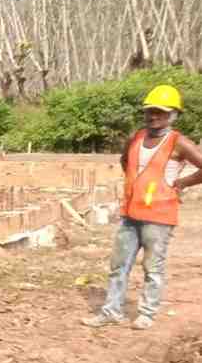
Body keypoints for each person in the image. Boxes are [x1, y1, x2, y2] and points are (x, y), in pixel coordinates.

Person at [83, 85, 202, 330]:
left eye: (160, 112)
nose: (153, 116)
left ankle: (147, 313)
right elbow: (125, 160)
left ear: (173, 115)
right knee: (119, 266)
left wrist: (182, 183)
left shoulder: (178, 142)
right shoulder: (137, 137)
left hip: (160, 216)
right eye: (150, 111)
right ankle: (111, 311)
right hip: (131, 213)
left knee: (152, 267)